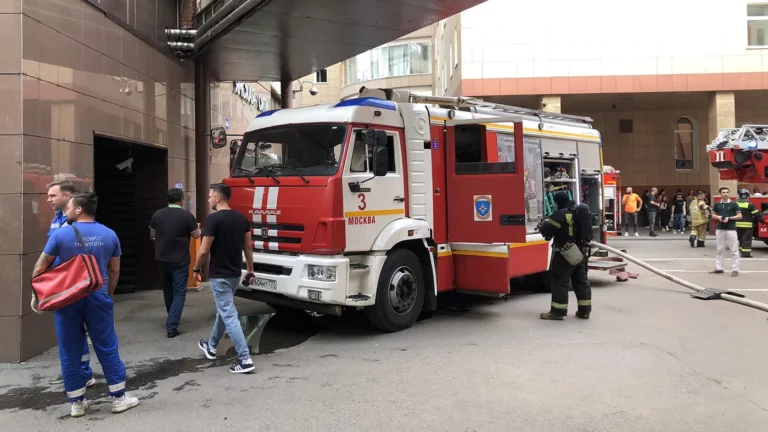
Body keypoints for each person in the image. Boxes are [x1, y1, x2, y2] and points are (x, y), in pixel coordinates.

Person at [31, 192, 139, 417]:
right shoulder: (109, 234)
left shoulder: (60, 235)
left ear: (79, 209)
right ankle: (119, 398)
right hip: (98, 297)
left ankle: (77, 403)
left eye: (69, 208)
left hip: (67, 298)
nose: (66, 211)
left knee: (69, 350)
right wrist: (107, 293)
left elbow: (40, 267)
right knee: (107, 346)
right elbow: (115, 270)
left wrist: (38, 295)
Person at [195, 184, 256, 374]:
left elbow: (204, 249)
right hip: (235, 274)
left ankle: (245, 359)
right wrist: (251, 270)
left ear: (218, 198)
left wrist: (196, 268)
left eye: (210, 196)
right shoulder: (241, 218)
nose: (208, 199)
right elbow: (248, 247)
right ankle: (211, 347)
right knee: (224, 310)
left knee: (229, 314)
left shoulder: (213, 220)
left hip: (220, 275)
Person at [45, 181, 93, 388]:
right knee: (71, 333)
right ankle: (80, 373)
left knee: (74, 332)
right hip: (59, 283)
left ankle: (81, 374)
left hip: (72, 283)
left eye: (52, 196)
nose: (48, 199)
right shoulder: (57, 219)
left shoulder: (77, 222)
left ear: (67, 197)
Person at [149, 188, 201, 338]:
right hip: (180, 259)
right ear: (181, 199)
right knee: (179, 292)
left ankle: (172, 316)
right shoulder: (187, 216)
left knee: (168, 290)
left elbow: (153, 234)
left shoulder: (157, 214)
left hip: (162, 258)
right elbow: (196, 236)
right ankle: (171, 326)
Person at [538, 191, 593, 320]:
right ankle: (584, 311)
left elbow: (547, 230)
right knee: (581, 281)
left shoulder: (561, 214)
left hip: (565, 253)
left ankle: (558, 311)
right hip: (580, 253)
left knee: (560, 281)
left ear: (558, 202)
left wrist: (542, 225)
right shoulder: (578, 212)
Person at [711, 187, 742, 277]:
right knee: (719, 249)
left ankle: (735, 269)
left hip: (731, 229)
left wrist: (730, 218)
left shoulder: (734, 204)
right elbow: (713, 215)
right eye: (724, 192)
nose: (726, 194)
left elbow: (739, 216)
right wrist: (718, 217)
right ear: (720, 194)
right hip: (720, 229)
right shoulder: (717, 204)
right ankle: (719, 268)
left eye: (727, 192)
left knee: (734, 250)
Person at [735, 189, 764, 258]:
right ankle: (746, 253)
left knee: (740, 239)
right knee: (747, 239)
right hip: (747, 226)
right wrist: (763, 222)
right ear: (748, 197)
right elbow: (757, 215)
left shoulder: (735, 204)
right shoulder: (750, 205)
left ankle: (742, 250)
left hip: (737, 225)